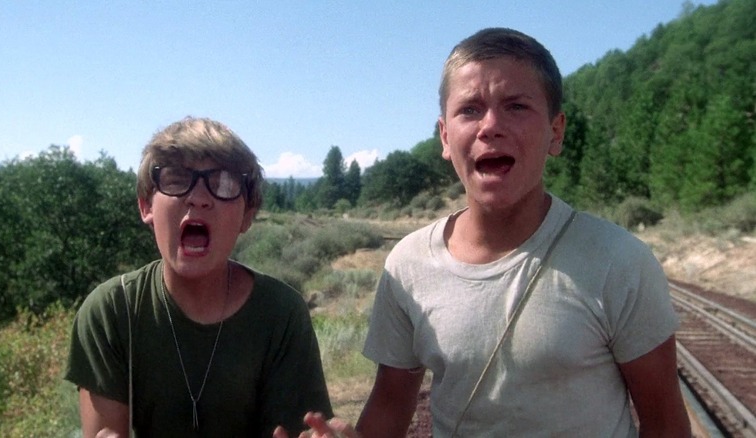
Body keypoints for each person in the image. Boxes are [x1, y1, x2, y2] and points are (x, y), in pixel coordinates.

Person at [282, 28, 692, 437]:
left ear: (557, 131)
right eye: (470, 109)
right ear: (445, 136)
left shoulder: (619, 261)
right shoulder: (408, 266)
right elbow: (389, 406)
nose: (491, 125)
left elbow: (666, 423)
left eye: (516, 106)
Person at [65, 116, 333, 437]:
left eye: (223, 183)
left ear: (247, 215)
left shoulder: (282, 313)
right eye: (176, 179)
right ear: (146, 205)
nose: (199, 198)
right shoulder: (111, 312)